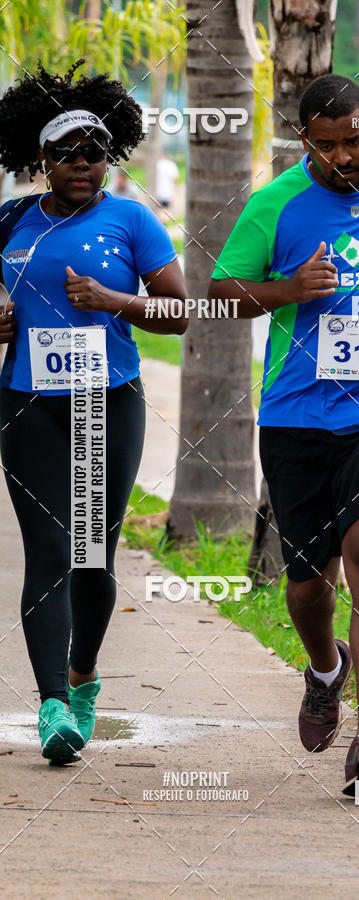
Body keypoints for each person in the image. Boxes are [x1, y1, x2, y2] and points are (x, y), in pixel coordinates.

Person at [209, 74, 359, 796]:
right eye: (328, 144)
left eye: (356, 139)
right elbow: (221, 296)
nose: (345, 156)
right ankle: (324, 670)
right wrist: (288, 289)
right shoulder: (274, 205)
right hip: (296, 415)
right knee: (309, 586)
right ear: (304, 139)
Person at [0, 60, 188, 764]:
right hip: (27, 406)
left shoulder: (132, 219)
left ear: (111, 159)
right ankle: (51, 706)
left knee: (91, 559)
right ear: (40, 160)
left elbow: (179, 313)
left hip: (107, 404)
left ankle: (83, 677)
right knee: (46, 553)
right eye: (67, 153)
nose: (84, 164)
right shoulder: (13, 220)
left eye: (96, 152)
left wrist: (117, 303)